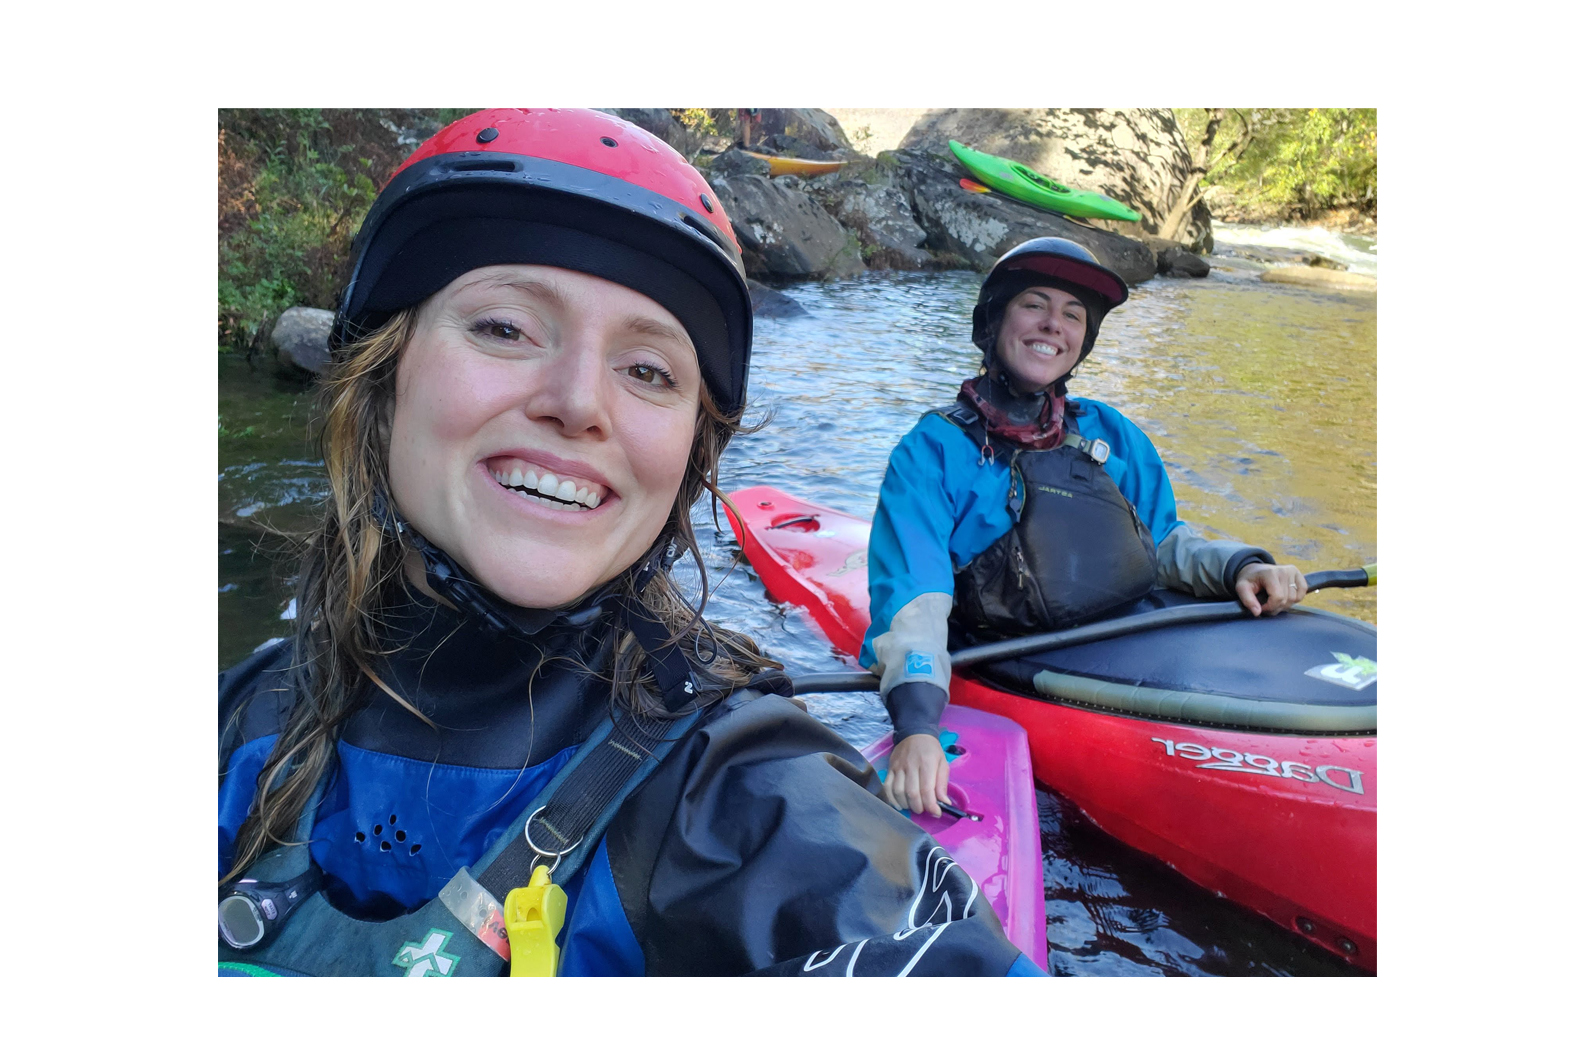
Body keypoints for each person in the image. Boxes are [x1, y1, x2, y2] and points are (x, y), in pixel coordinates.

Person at [218, 108, 1042, 977]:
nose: (579, 402)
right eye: (504, 326)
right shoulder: (246, 716)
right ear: (381, 376)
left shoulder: (736, 791)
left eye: (648, 369)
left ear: (689, 451)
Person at [861, 238, 1306, 818]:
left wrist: (1241, 567)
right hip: (1008, 655)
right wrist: (917, 723)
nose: (1053, 325)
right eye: (1034, 305)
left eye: (1073, 315)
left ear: (1084, 341)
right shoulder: (932, 451)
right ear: (995, 319)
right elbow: (916, 602)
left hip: (1124, 643)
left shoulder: (1110, 431)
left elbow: (1163, 540)